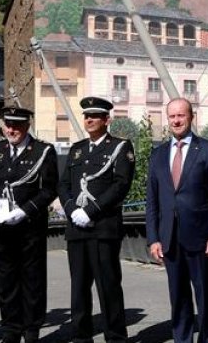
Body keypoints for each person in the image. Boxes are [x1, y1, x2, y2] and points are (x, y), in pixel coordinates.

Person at [146, 98, 208, 343]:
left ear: (191, 117)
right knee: (178, 296)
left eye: (181, 115)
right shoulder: (158, 154)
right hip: (169, 238)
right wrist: (153, 238)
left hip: (201, 239)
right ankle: (182, 339)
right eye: (172, 116)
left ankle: (207, 339)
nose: (177, 120)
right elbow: (153, 201)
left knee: (205, 295)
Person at [0, 106, 59, 343]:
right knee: (6, 281)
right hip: (1, 230)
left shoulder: (43, 151)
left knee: (32, 280)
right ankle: (11, 328)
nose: (12, 130)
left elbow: (49, 189)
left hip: (29, 229)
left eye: (17, 125)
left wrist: (24, 211)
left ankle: (31, 329)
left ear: (27, 125)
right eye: (8, 125)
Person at [59, 96, 136, 343]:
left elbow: (120, 185)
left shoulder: (121, 147)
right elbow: (63, 185)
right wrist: (72, 210)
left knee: (108, 287)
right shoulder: (77, 149)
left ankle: (115, 337)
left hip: (103, 228)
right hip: (77, 229)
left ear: (107, 120)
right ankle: (81, 336)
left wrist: (90, 212)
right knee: (79, 289)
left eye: (95, 116)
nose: (89, 120)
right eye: (86, 116)